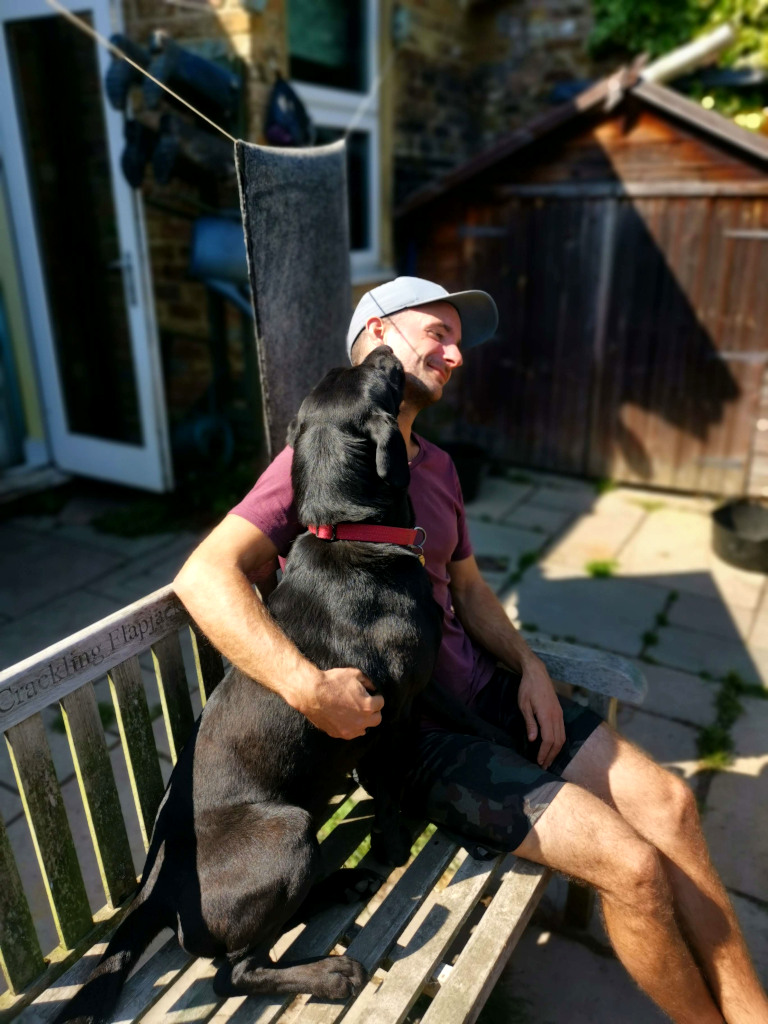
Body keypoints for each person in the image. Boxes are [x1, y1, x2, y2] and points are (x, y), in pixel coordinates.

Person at [174, 276, 768, 1024]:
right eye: (437, 333)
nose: (455, 354)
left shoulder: (441, 467)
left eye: (459, 341)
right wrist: (305, 687)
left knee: (673, 805)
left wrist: (531, 668)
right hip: (418, 737)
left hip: (488, 693)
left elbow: (472, 590)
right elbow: (204, 575)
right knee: (634, 869)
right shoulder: (320, 452)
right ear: (378, 338)